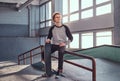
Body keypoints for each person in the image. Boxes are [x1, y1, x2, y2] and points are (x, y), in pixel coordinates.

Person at [43, 12, 73, 77]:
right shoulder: (52, 28)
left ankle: (60, 70)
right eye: (57, 17)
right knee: (44, 52)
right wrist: (48, 39)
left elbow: (71, 38)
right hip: (54, 45)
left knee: (61, 53)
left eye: (59, 17)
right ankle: (47, 69)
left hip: (62, 45)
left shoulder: (65, 27)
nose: (59, 18)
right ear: (54, 19)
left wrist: (65, 43)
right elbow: (49, 36)